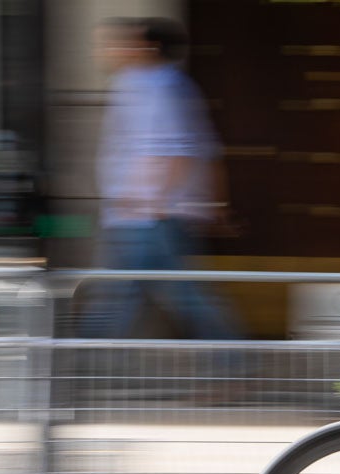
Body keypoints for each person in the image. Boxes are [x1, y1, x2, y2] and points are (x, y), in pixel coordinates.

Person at [82, 16, 240, 340]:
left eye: (126, 42)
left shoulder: (157, 86)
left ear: (148, 47)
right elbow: (205, 151)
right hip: (142, 216)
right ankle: (236, 364)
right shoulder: (153, 84)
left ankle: (79, 375)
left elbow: (176, 150)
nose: (114, 49)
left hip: (145, 218)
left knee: (122, 300)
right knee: (151, 297)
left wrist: (154, 205)